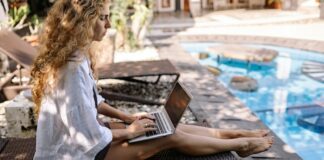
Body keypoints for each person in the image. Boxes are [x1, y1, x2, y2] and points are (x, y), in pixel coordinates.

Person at [31, 0, 274, 159]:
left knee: (167, 124)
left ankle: (235, 135)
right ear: (83, 22)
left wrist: (128, 119)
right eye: (102, 17)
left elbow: (93, 102)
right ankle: (240, 146)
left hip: (82, 145)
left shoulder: (77, 56)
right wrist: (129, 132)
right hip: (74, 154)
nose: (108, 23)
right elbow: (85, 136)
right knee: (169, 136)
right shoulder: (71, 70)